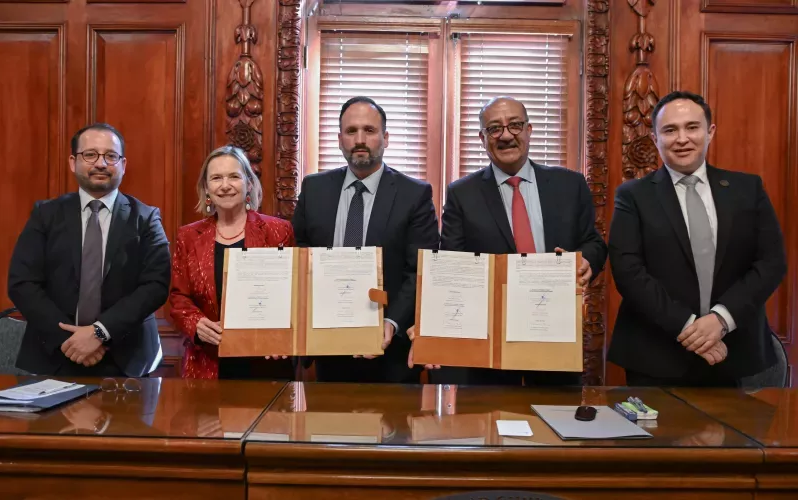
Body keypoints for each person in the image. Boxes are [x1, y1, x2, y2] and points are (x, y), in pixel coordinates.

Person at [415, 96, 606, 386]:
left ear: (529, 130)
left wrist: (587, 260)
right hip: (488, 346)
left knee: (551, 424)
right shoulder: (462, 194)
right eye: (494, 129)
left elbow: (592, 241)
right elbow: (452, 265)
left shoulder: (570, 185)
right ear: (482, 138)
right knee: (491, 425)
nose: (506, 135)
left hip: (554, 333)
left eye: (515, 125)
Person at [607, 90, 787, 387]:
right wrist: (690, 328)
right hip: (655, 356)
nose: (682, 138)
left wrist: (720, 320)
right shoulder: (633, 196)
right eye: (670, 130)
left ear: (709, 131)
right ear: (655, 138)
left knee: (737, 435)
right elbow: (628, 272)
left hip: (735, 353)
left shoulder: (747, 189)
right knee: (659, 434)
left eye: (692, 127)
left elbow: (771, 262)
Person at [291, 96, 440, 383]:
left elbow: (420, 270)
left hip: (390, 350)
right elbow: (300, 255)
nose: (360, 139)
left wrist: (392, 321)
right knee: (327, 426)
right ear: (339, 139)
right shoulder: (314, 189)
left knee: (392, 427)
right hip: (327, 344)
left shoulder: (414, 195)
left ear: (386, 137)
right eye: (351, 131)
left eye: (370, 131)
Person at [9, 123, 170, 377]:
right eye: (90, 155)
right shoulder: (45, 215)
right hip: (54, 353)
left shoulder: (146, 218)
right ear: (73, 162)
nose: (101, 163)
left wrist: (99, 333)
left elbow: (156, 285)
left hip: (126, 359)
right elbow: (22, 282)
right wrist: (71, 340)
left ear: (123, 164)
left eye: (110, 156)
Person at [169, 146, 295, 380]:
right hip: (208, 362)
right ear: (206, 188)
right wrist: (196, 323)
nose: (225, 185)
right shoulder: (188, 236)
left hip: (266, 362)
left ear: (248, 183)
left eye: (234, 176)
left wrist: (282, 336)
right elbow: (178, 297)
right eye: (216, 178)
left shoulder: (278, 231)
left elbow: (293, 293)